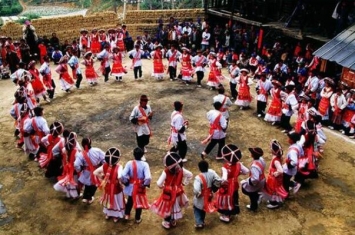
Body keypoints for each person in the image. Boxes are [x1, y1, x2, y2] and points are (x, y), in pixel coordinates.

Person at [150, 152, 193, 229]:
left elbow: (159, 183)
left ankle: (167, 222)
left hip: (168, 193)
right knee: (176, 205)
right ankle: (173, 220)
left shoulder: (166, 171)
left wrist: (163, 187)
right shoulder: (181, 169)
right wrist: (183, 183)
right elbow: (190, 175)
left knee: (167, 207)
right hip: (178, 192)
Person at [216, 144, 249, 222]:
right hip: (235, 184)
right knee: (234, 197)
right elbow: (247, 171)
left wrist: (219, 183)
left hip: (227, 186)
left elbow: (224, 179)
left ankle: (226, 215)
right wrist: (238, 174)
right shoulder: (239, 164)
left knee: (227, 199)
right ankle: (234, 210)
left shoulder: (225, 168)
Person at [94, 147, 126, 223]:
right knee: (116, 200)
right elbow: (120, 176)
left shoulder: (104, 165)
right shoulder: (119, 167)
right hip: (116, 188)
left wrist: (103, 178)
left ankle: (108, 214)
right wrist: (122, 183)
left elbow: (95, 172)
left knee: (108, 199)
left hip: (108, 187)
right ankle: (116, 216)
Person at [121, 147, 151, 224]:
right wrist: (145, 184)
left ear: (133, 154)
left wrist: (126, 182)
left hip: (131, 186)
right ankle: (137, 218)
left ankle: (127, 215)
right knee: (139, 202)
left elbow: (123, 175)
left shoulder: (129, 163)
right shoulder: (145, 164)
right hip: (139, 187)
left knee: (130, 200)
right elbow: (148, 177)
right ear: (142, 155)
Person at [74, 137, 105, 204]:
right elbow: (105, 158)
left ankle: (84, 197)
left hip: (86, 172)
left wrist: (79, 169)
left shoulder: (81, 154)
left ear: (82, 145)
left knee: (87, 184)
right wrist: (102, 166)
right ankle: (88, 198)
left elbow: (76, 164)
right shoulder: (97, 150)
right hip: (96, 171)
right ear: (90, 143)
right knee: (94, 184)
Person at [193, 160, 221, 229]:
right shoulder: (211, 172)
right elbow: (218, 179)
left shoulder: (198, 178)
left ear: (199, 168)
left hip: (201, 196)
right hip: (209, 194)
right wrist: (214, 187)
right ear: (207, 166)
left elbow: (196, 190)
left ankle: (199, 222)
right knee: (204, 207)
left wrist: (197, 195)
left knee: (197, 208)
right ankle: (202, 221)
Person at [262, 140, 288, 209]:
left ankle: (274, 203)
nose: (270, 149)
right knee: (272, 189)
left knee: (273, 190)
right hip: (273, 177)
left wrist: (276, 173)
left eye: (271, 148)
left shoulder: (276, 160)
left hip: (275, 179)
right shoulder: (277, 157)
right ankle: (273, 201)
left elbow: (281, 170)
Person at [53, 132, 80, 199]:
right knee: (73, 181)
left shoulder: (64, 149)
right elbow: (77, 162)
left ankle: (68, 195)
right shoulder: (76, 151)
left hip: (67, 167)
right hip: (73, 169)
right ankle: (74, 196)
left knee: (68, 180)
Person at [241, 147, 266, 212]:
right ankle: (258, 196)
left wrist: (248, 181)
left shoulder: (254, 166)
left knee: (251, 193)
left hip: (257, 182)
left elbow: (255, 179)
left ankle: (253, 207)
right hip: (262, 179)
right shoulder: (261, 159)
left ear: (252, 155)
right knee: (256, 191)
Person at [283, 131, 304, 196]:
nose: (288, 139)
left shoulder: (293, 151)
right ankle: (295, 184)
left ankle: (286, 194)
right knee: (285, 180)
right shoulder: (298, 145)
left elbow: (294, 162)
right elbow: (302, 153)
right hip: (293, 169)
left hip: (289, 170)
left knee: (285, 182)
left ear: (292, 140)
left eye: (289, 138)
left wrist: (289, 163)